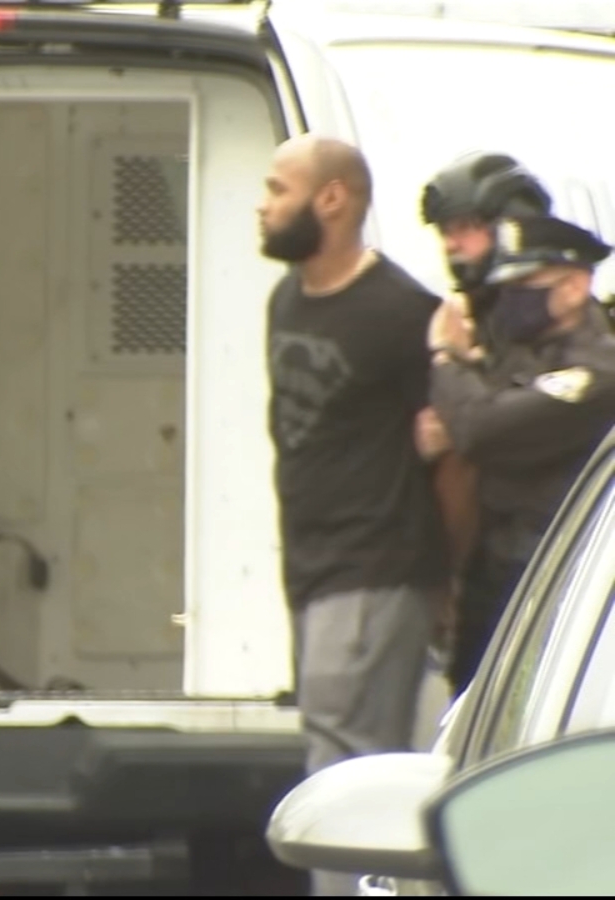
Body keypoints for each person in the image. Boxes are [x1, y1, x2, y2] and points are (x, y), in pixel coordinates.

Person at [258, 134, 450, 896]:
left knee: (344, 776)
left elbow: (448, 450)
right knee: (354, 760)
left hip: (375, 564)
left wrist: (444, 575)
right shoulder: (286, 300)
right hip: (311, 567)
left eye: (278, 189)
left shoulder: (402, 313)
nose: (263, 205)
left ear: (332, 199)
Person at [424, 214, 615, 697]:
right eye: (505, 285)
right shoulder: (518, 354)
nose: (511, 297)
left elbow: (480, 428)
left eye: (525, 284)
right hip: (492, 577)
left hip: (553, 583)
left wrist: (447, 358)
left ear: (574, 287)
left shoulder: (597, 369)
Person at [415, 151, 557, 680]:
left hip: (542, 566)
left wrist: (450, 363)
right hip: (481, 571)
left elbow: (486, 431)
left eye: (466, 227)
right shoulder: (467, 322)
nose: (452, 244)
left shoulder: (558, 327)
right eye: (446, 231)